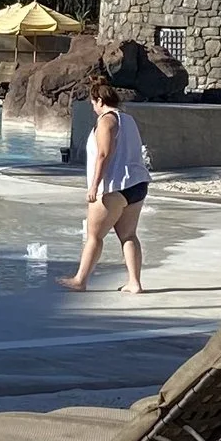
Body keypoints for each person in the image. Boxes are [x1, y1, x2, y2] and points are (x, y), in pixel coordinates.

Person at [68, 80, 149, 293]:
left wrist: (94, 186)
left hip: (114, 185)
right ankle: (135, 282)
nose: (93, 108)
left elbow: (104, 154)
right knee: (129, 235)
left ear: (100, 100)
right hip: (138, 184)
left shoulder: (107, 120)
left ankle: (80, 280)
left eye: (93, 103)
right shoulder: (128, 119)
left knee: (94, 235)